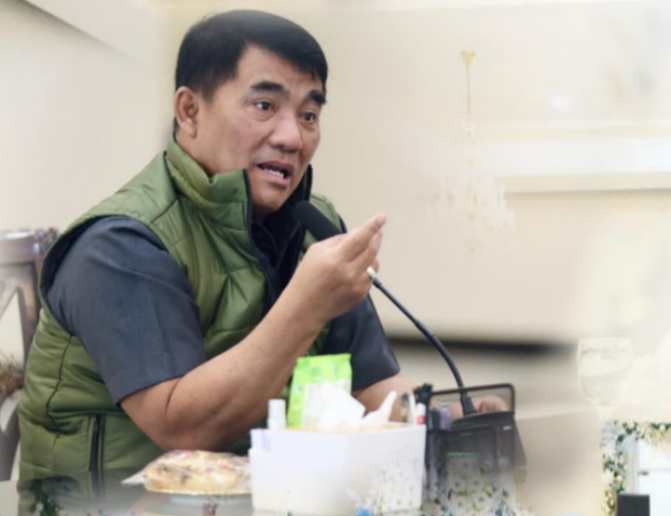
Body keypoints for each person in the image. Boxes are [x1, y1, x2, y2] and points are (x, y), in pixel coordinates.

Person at [18, 11, 414, 491]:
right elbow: (184, 429)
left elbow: (375, 390)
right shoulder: (120, 243)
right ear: (189, 111)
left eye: (309, 115)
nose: (293, 138)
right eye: (265, 105)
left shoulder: (316, 227)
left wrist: (444, 419)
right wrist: (307, 303)